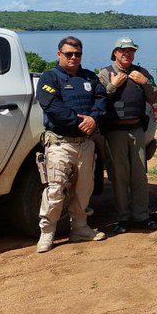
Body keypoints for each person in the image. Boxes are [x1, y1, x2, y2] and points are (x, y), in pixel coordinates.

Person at [36, 36, 107, 253]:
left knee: (83, 190)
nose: (73, 58)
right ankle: (47, 234)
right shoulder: (50, 77)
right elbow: (51, 106)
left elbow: (101, 99)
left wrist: (94, 118)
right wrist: (80, 122)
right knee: (55, 190)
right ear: (59, 54)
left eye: (77, 54)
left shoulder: (89, 77)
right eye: (69, 54)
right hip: (60, 144)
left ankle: (80, 228)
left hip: (85, 144)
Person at [97, 37, 157, 233]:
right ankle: (123, 218)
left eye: (131, 51)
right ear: (115, 53)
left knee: (140, 175)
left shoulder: (141, 73)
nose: (127, 54)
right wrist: (113, 85)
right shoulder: (105, 74)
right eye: (123, 51)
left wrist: (145, 84)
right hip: (115, 133)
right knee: (119, 176)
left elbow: (155, 96)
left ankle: (142, 216)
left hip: (136, 130)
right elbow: (99, 100)